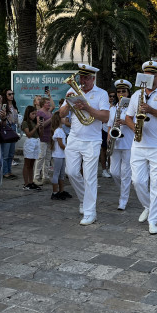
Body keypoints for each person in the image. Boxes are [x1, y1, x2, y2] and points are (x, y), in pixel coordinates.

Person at [124, 61, 157, 234]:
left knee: (156, 185)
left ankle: (153, 220)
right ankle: (147, 205)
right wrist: (135, 129)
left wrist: (151, 110)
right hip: (138, 145)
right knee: (137, 181)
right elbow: (128, 117)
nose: (149, 77)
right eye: (146, 74)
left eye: (152, 75)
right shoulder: (136, 95)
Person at [58, 63, 110, 226]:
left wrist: (87, 107)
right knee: (71, 172)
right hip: (74, 137)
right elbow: (61, 114)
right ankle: (83, 199)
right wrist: (68, 103)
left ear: (93, 78)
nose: (83, 80)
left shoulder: (101, 94)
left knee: (90, 177)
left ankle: (90, 212)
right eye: (81, 77)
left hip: (92, 140)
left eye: (86, 77)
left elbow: (105, 117)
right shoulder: (71, 91)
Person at [107, 79, 134, 210]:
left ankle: (123, 200)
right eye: (119, 91)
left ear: (129, 93)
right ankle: (124, 190)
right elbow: (109, 126)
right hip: (116, 142)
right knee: (114, 172)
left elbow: (137, 125)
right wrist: (108, 138)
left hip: (128, 142)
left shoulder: (133, 108)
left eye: (124, 91)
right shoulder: (113, 108)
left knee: (125, 173)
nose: (121, 94)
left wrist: (125, 122)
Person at [34, 96, 54, 185]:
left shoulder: (49, 112)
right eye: (47, 103)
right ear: (42, 104)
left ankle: (45, 176)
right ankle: (36, 176)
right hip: (42, 137)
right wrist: (50, 119)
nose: (48, 104)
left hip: (50, 137)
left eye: (49, 102)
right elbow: (41, 125)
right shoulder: (40, 113)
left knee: (48, 157)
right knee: (41, 157)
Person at [21, 105, 42, 190]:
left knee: (32, 164)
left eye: (35, 114)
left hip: (36, 141)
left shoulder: (33, 122)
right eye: (33, 114)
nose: (34, 115)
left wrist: (40, 127)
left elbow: (40, 134)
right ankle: (26, 183)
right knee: (27, 163)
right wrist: (36, 126)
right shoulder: (25, 122)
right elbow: (28, 134)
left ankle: (31, 181)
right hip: (30, 142)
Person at [50, 112, 69, 200]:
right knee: (56, 173)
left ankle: (61, 191)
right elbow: (61, 144)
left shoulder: (61, 130)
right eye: (63, 117)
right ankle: (54, 192)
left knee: (61, 174)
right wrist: (68, 150)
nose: (65, 119)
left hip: (62, 155)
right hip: (58, 155)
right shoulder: (58, 130)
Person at [1, 89, 19, 179]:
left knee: (11, 152)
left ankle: (9, 170)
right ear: (6, 96)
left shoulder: (14, 106)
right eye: (9, 94)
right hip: (7, 127)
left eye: (12, 94)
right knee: (6, 152)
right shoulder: (4, 106)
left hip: (13, 128)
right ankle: (5, 171)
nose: (11, 96)